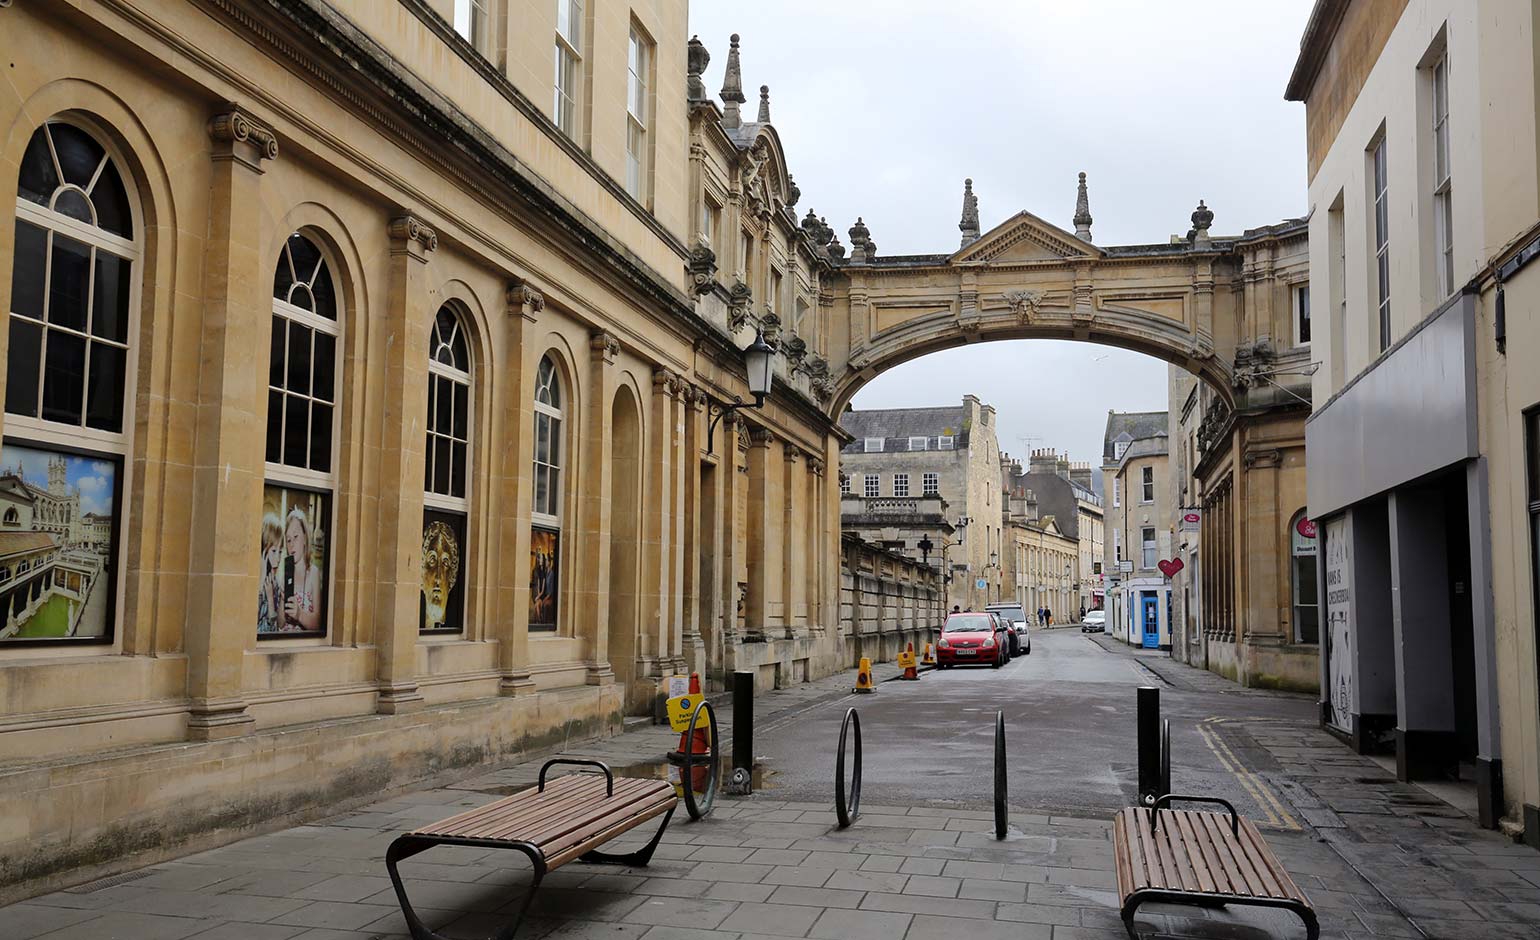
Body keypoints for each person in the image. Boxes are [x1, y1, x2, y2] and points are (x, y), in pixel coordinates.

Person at [283, 508, 322, 632]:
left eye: (295, 536)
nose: (291, 544)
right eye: (288, 540)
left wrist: (299, 614)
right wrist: (281, 601)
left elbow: (318, 622)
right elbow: (279, 622)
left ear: (305, 538)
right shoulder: (286, 573)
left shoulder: (314, 573)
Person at [257, 513, 284, 634]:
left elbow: (274, 629)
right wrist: (260, 582)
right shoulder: (254, 580)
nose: (278, 558)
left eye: (280, 551)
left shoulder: (275, 583)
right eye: (274, 551)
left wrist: (271, 598)